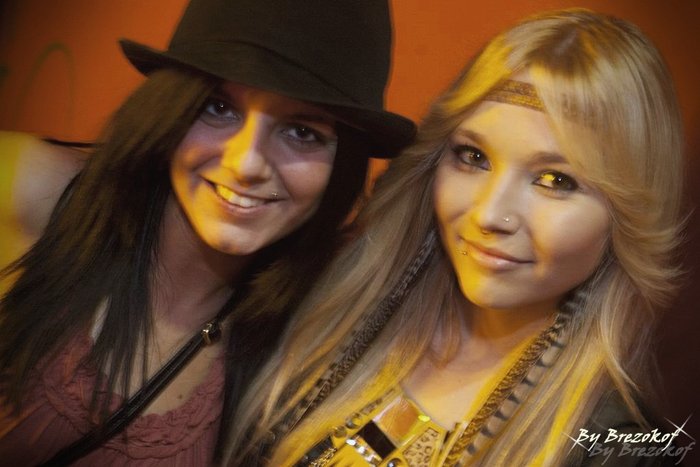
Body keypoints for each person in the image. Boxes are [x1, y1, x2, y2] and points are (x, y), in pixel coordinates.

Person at [227, 9, 686, 466]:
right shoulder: (306, 309)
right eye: (473, 156)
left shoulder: (621, 449)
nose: (489, 214)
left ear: (627, 216)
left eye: (555, 180)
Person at [0, 0, 415, 465]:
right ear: (169, 106)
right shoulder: (26, 192)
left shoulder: (301, 344)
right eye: (219, 108)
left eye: (302, 131)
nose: (246, 163)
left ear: (343, 164)